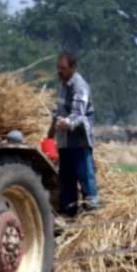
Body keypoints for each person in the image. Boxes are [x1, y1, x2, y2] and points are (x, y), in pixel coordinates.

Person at [48, 51, 98, 217]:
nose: (59, 71)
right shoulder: (62, 85)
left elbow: (78, 114)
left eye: (62, 68)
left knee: (85, 179)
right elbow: (58, 111)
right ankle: (69, 215)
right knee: (66, 180)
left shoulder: (79, 86)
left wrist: (66, 123)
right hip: (65, 142)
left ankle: (91, 214)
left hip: (80, 141)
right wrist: (50, 134)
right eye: (58, 68)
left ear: (72, 68)